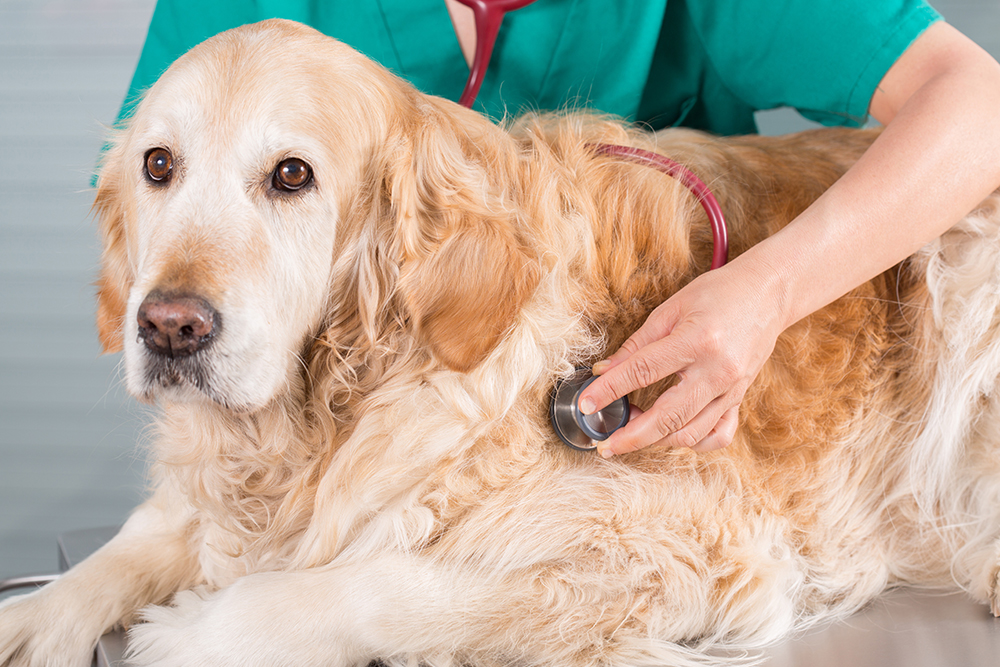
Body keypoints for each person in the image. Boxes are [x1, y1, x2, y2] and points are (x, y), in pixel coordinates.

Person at [117, 0, 1000, 458]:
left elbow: (981, 104)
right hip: (318, 433)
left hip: (637, 426)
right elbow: (141, 222)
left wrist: (767, 292)